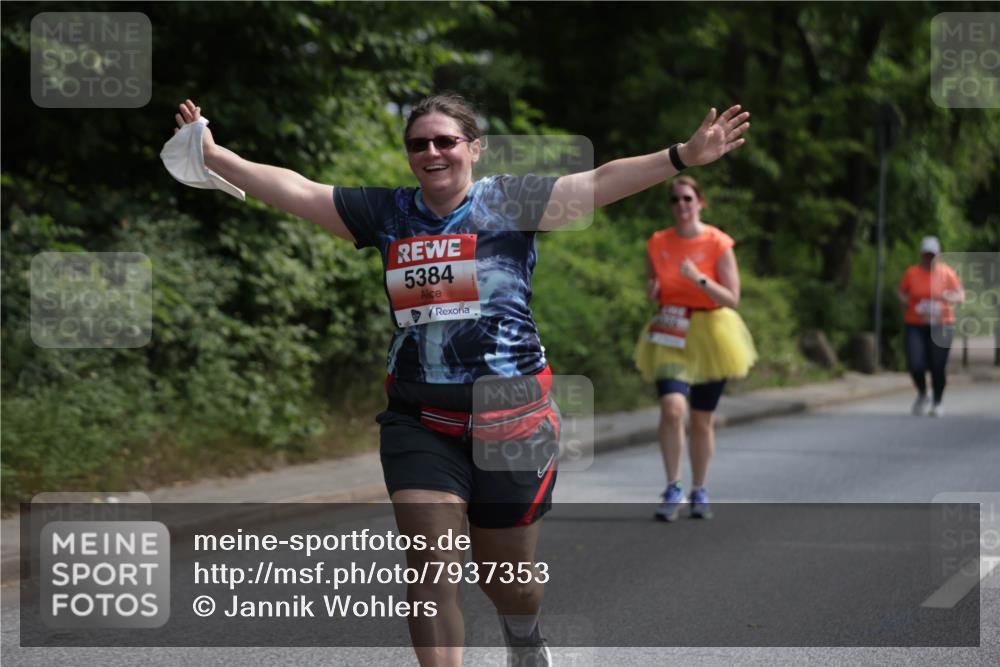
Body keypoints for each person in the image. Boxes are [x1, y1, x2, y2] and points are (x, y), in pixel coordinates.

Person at [169, 94, 749, 666]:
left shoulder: (512, 201)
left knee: (509, 581)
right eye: (418, 143)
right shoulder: (387, 214)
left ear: (475, 148)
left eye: (445, 140)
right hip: (420, 421)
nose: (432, 152)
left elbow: (599, 181)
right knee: (429, 569)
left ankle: (522, 633)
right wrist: (217, 157)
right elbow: (300, 190)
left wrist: (681, 157)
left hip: (513, 417)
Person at [634, 176, 757, 522]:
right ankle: (673, 486)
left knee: (702, 420)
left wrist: (698, 279)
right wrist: (653, 290)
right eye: (675, 200)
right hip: (671, 328)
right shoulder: (658, 242)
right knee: (673, 409)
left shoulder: (718, 242)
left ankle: (699, 488)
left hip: (713, 333)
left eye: (687, 199)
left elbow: (732, 298)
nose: (681, 206)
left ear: (700, 202)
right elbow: (651, 286)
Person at [898, 235, 964, 417]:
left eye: (932, 255)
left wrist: (947, 297)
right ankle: (922, 393)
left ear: (939, 254)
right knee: (915, 363)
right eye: (926, 255)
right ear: (921, 255)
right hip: (916, 323)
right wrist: (909, 302)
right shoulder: (912, 273)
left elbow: (960, 296)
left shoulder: (947, 273)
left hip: (942, 325)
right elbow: (902, 293)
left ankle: (937, 401)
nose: (929, 258)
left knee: (937, 365)